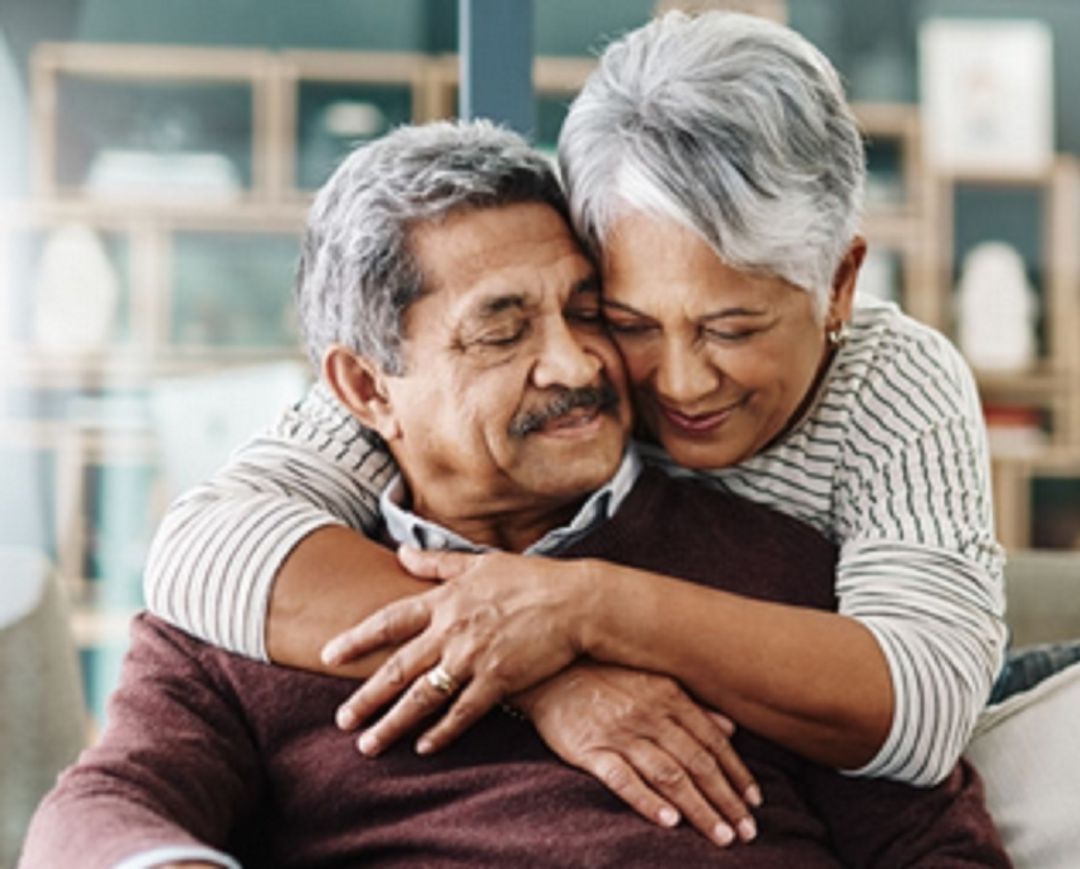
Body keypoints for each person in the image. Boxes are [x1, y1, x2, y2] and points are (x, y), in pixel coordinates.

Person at [22, 119, 1009, 868]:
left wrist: (585, 616)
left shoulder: (778, 577)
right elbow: (97, 815)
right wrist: (549, 677)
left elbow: (938, 843)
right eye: (503, 330)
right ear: (368, 389)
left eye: (589, 311)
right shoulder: (251, 607)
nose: (576, 362)